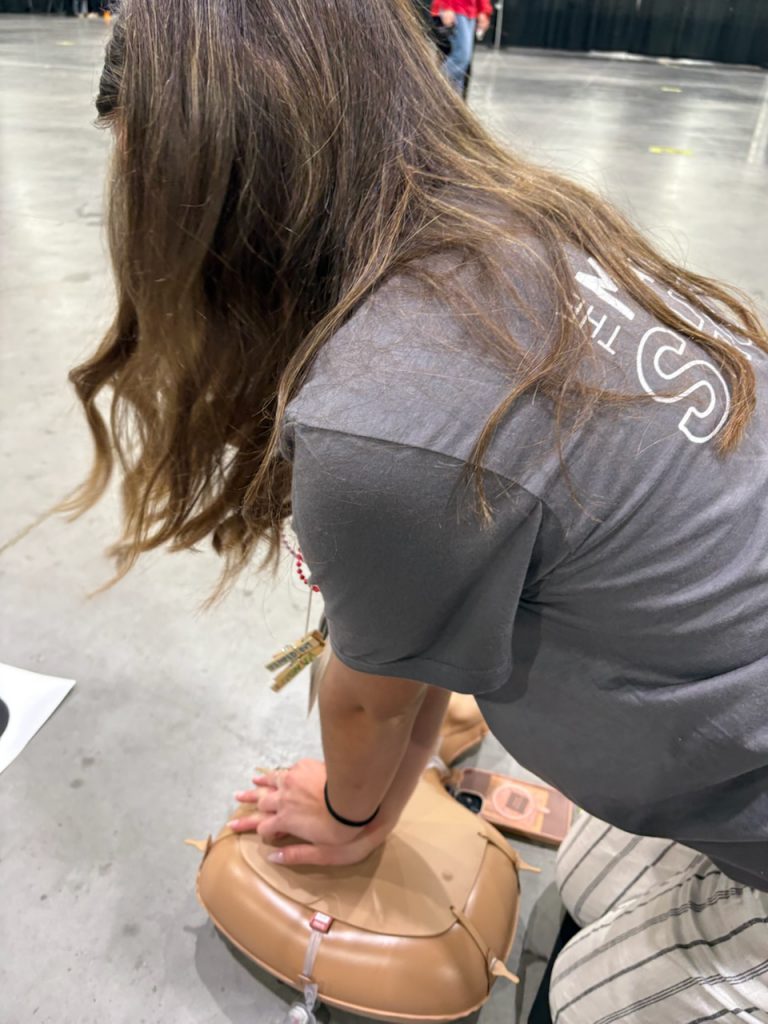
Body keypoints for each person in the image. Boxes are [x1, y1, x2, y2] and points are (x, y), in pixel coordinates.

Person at [77, 1, 767, 1020]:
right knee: (587, 882)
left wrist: (349, 813)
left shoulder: (380, 417)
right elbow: (427, 635)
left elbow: (371, 697)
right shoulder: (527, 221)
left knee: (584, 997)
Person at [432, 0, 492, 93]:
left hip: (470, 11)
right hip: (455, 8)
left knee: (462, 66)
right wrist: (446, 5)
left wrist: (483, 10)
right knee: (461, 57)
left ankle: (453, 98)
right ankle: (431, 88)